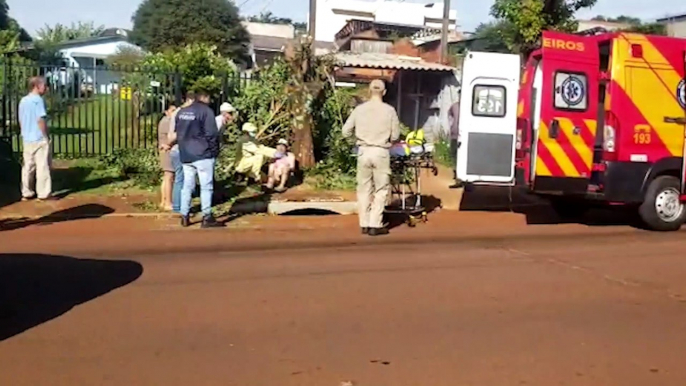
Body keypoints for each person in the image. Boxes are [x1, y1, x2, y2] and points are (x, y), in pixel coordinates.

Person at [343, 79, 400, 236]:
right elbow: (395, 135)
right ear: (384, 92)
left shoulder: (359, 110)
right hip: (381, 152)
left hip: (363, 151)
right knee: (381, 189)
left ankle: (364, 223)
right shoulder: (389, 110)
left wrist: (356, 142)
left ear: (369, 91)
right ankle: (375, 223)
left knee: (364, 189)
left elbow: (345, 131)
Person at [170, 89, 222, 228]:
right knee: (206, 186)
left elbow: (178, 133)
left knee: (187, 186)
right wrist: (214, 151)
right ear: (204, 97)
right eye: (209, 97)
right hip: (202, 153)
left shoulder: (182, 112)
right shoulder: (206, 111)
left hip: (186, 154)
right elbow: (211, 134)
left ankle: (184, 215)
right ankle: (207, 216)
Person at [19, 76, 54, 202]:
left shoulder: (23, 100)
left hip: (27, 138)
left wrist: (24, 132)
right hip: (39, 137)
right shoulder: (38, 101)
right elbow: (40, 119)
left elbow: (21, 119)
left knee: (28, 166)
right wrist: (46, 135)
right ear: (37, 86)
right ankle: (44, 193)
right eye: (44, 85)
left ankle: (26, 192)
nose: (46, 88)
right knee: (42, 166)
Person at [165, 92, 195, 213]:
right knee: (183, 179)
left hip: (178, 149)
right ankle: (179, 207)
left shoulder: (177, 113)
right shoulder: (184, 113)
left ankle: (179, 206)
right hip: (181, 149)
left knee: (181, 178)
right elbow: (171, 136)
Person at [158, 101, 178, 211]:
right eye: (172, 111)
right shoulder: (167, 122)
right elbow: (171, 138)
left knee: (167, 177)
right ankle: (168, 202)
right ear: (166, 112)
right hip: (167, 151)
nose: (174, 113)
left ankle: (164, 200)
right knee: (169, 177)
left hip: (166, 150)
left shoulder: (166, 121)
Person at [448, 91, 462, 189]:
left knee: (464, 158)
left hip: (465, 136)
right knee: (454, 157)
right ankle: (457, 178)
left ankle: (465, 181)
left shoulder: (469, 106)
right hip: (454, 135)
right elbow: (450, 117)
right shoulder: (454, 106)